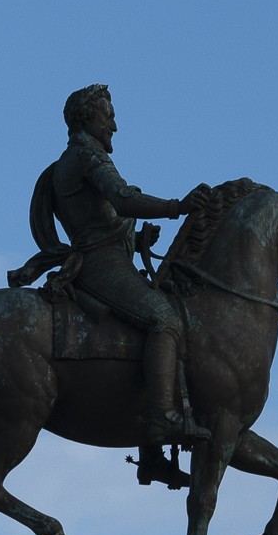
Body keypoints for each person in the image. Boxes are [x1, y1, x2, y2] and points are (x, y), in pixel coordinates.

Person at [32, 84, 211, 448]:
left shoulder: (68, 162)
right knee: (165, 320)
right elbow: (123, 198)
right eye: (108, 116)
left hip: (110, 259)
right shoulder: (86, 156)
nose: (114, 125)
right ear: (88, 118)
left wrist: (135, 239)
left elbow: (105, 216)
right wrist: (178, 206)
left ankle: (149, 445)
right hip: (102, 265)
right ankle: (163, 417)